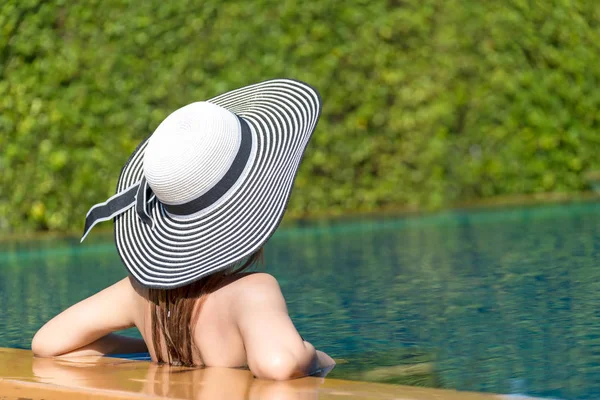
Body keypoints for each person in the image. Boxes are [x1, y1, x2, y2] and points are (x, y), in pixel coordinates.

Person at [31, 79, 336, 380]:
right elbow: (278, 364)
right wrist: (319, 358)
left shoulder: (141, 295)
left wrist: (157, 352)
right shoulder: (252, 292)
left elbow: (48, 343)